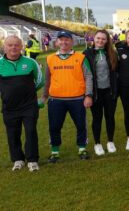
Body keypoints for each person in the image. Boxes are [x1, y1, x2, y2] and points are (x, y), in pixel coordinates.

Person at [43, 30, 94, 162]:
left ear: (72, 42)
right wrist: (44, 96)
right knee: (54, 126)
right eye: (61, 39)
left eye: (67, 39)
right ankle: (55, 152)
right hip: (56, 99)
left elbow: (88, 76)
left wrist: (88, 95)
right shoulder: (50, 58)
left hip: (77, 99)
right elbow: (47, 80)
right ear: (57, 42)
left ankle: (82, 148)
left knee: (81, 125)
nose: (64, 42)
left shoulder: (80, 57)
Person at [0, 36, 43, 171]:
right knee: (13, 133)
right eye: (10, 45)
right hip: (9, 107)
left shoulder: (31, 63)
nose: (13, 48)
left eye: (16, 45)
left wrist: (28, 91)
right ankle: (18, 159)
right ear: (4, 47)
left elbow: (40, 80)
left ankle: (32, 160)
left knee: (30, 131)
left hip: (29, 105)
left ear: (21, 47)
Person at [84, 30, 118, 156]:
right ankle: (97, 143)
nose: (100, 41)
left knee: (110, 117)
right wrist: (88, 94)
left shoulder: (112, 53)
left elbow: (116, 73)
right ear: (94, 39)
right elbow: (85, 74)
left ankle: (110, 141)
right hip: (96, 92)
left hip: (109, 91)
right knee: (97, 118)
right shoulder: (87, 53)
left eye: (103, 39)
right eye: (98, 38)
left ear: (107, 40)